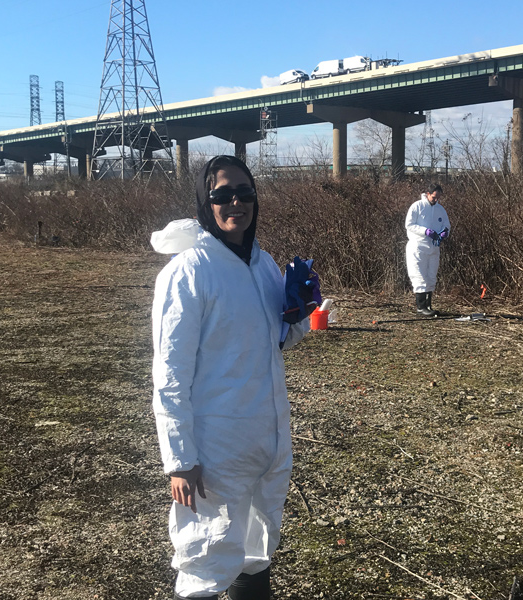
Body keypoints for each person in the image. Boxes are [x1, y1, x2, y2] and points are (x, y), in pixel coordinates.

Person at [150, 155, 316, 600]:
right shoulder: (188, 272)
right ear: (207, 203)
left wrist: (299, 313)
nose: (235, 203)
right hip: (216, 446)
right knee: (206, 557)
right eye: (222, 195)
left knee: (257, 548)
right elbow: (169, 375)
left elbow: (271, 342)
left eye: (244, 193)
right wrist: (180, 459)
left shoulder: (263, 263)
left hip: (267, 436)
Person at [404, 183, 451, 316]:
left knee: (431, 276)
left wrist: (444, 232)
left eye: (438, 198)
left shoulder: (440, 209)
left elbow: (446, 224)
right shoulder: (417, 206)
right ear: (428, 194)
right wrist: (425, 231)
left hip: (434, 247)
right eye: (434, 197)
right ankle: (421, 307)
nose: (436, 200)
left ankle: (428, 305)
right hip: (418, 246)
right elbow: (409, 224)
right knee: (419, 275)